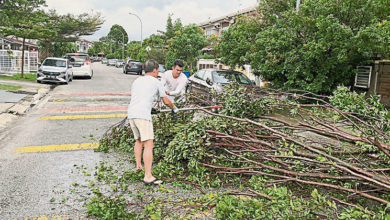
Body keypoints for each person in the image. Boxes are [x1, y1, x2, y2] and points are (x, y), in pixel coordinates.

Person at [127, 59, 178, 185]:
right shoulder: (156, 81)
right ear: (155, 70)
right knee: (149, 144)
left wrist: (151, 109)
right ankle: (148, 176)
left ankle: (139, 166)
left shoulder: (137, 81)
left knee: (138, 140)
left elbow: (140, 97)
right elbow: (166, 101)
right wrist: (174, 108)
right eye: (158, 70)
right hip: (143, 116)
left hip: (132, 114)